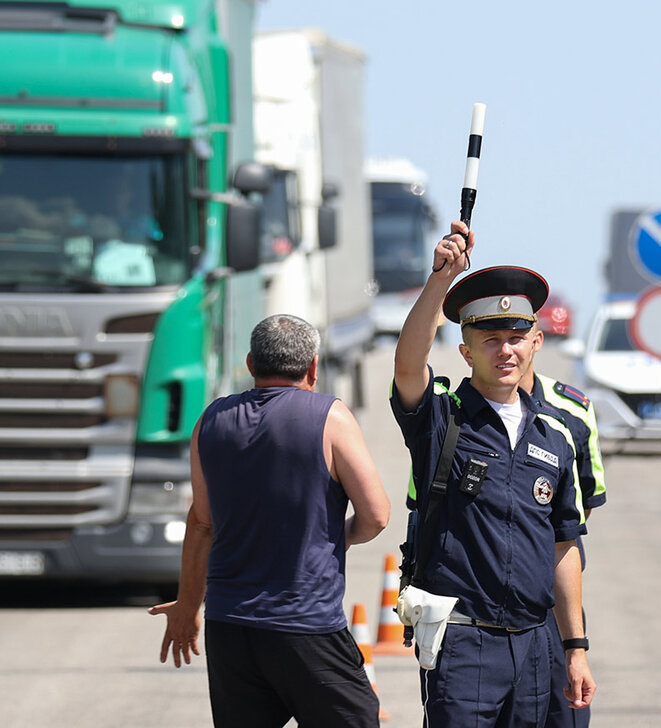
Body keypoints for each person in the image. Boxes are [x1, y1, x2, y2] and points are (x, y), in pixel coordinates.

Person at [392, 220, 596, 727]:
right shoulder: (443, 419)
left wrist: (575, 647)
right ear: (466, 351)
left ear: (535, 344)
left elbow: (563, 546)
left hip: (535, 644)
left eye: (515, 338)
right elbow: (407, 366)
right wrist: (440, 280)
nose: (504, 350)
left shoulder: (556, 435)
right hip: (464, 643)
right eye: (489, 340)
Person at [150, 314, 391, 727]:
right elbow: (376, 516)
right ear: (313, 367)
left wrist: (189, 604)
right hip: (306, 625)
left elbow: (201, 522)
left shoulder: (210, 421)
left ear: (250, 364)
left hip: (230, 628)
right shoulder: (329, 416)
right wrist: (341, 537)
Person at [521, 365, 605, 728]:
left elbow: (580, 507)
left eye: (518, 335)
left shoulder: (572, 408)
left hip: (554, 596)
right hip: (480, 607)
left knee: (563, 710)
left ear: (535, 339)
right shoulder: (453, 417)